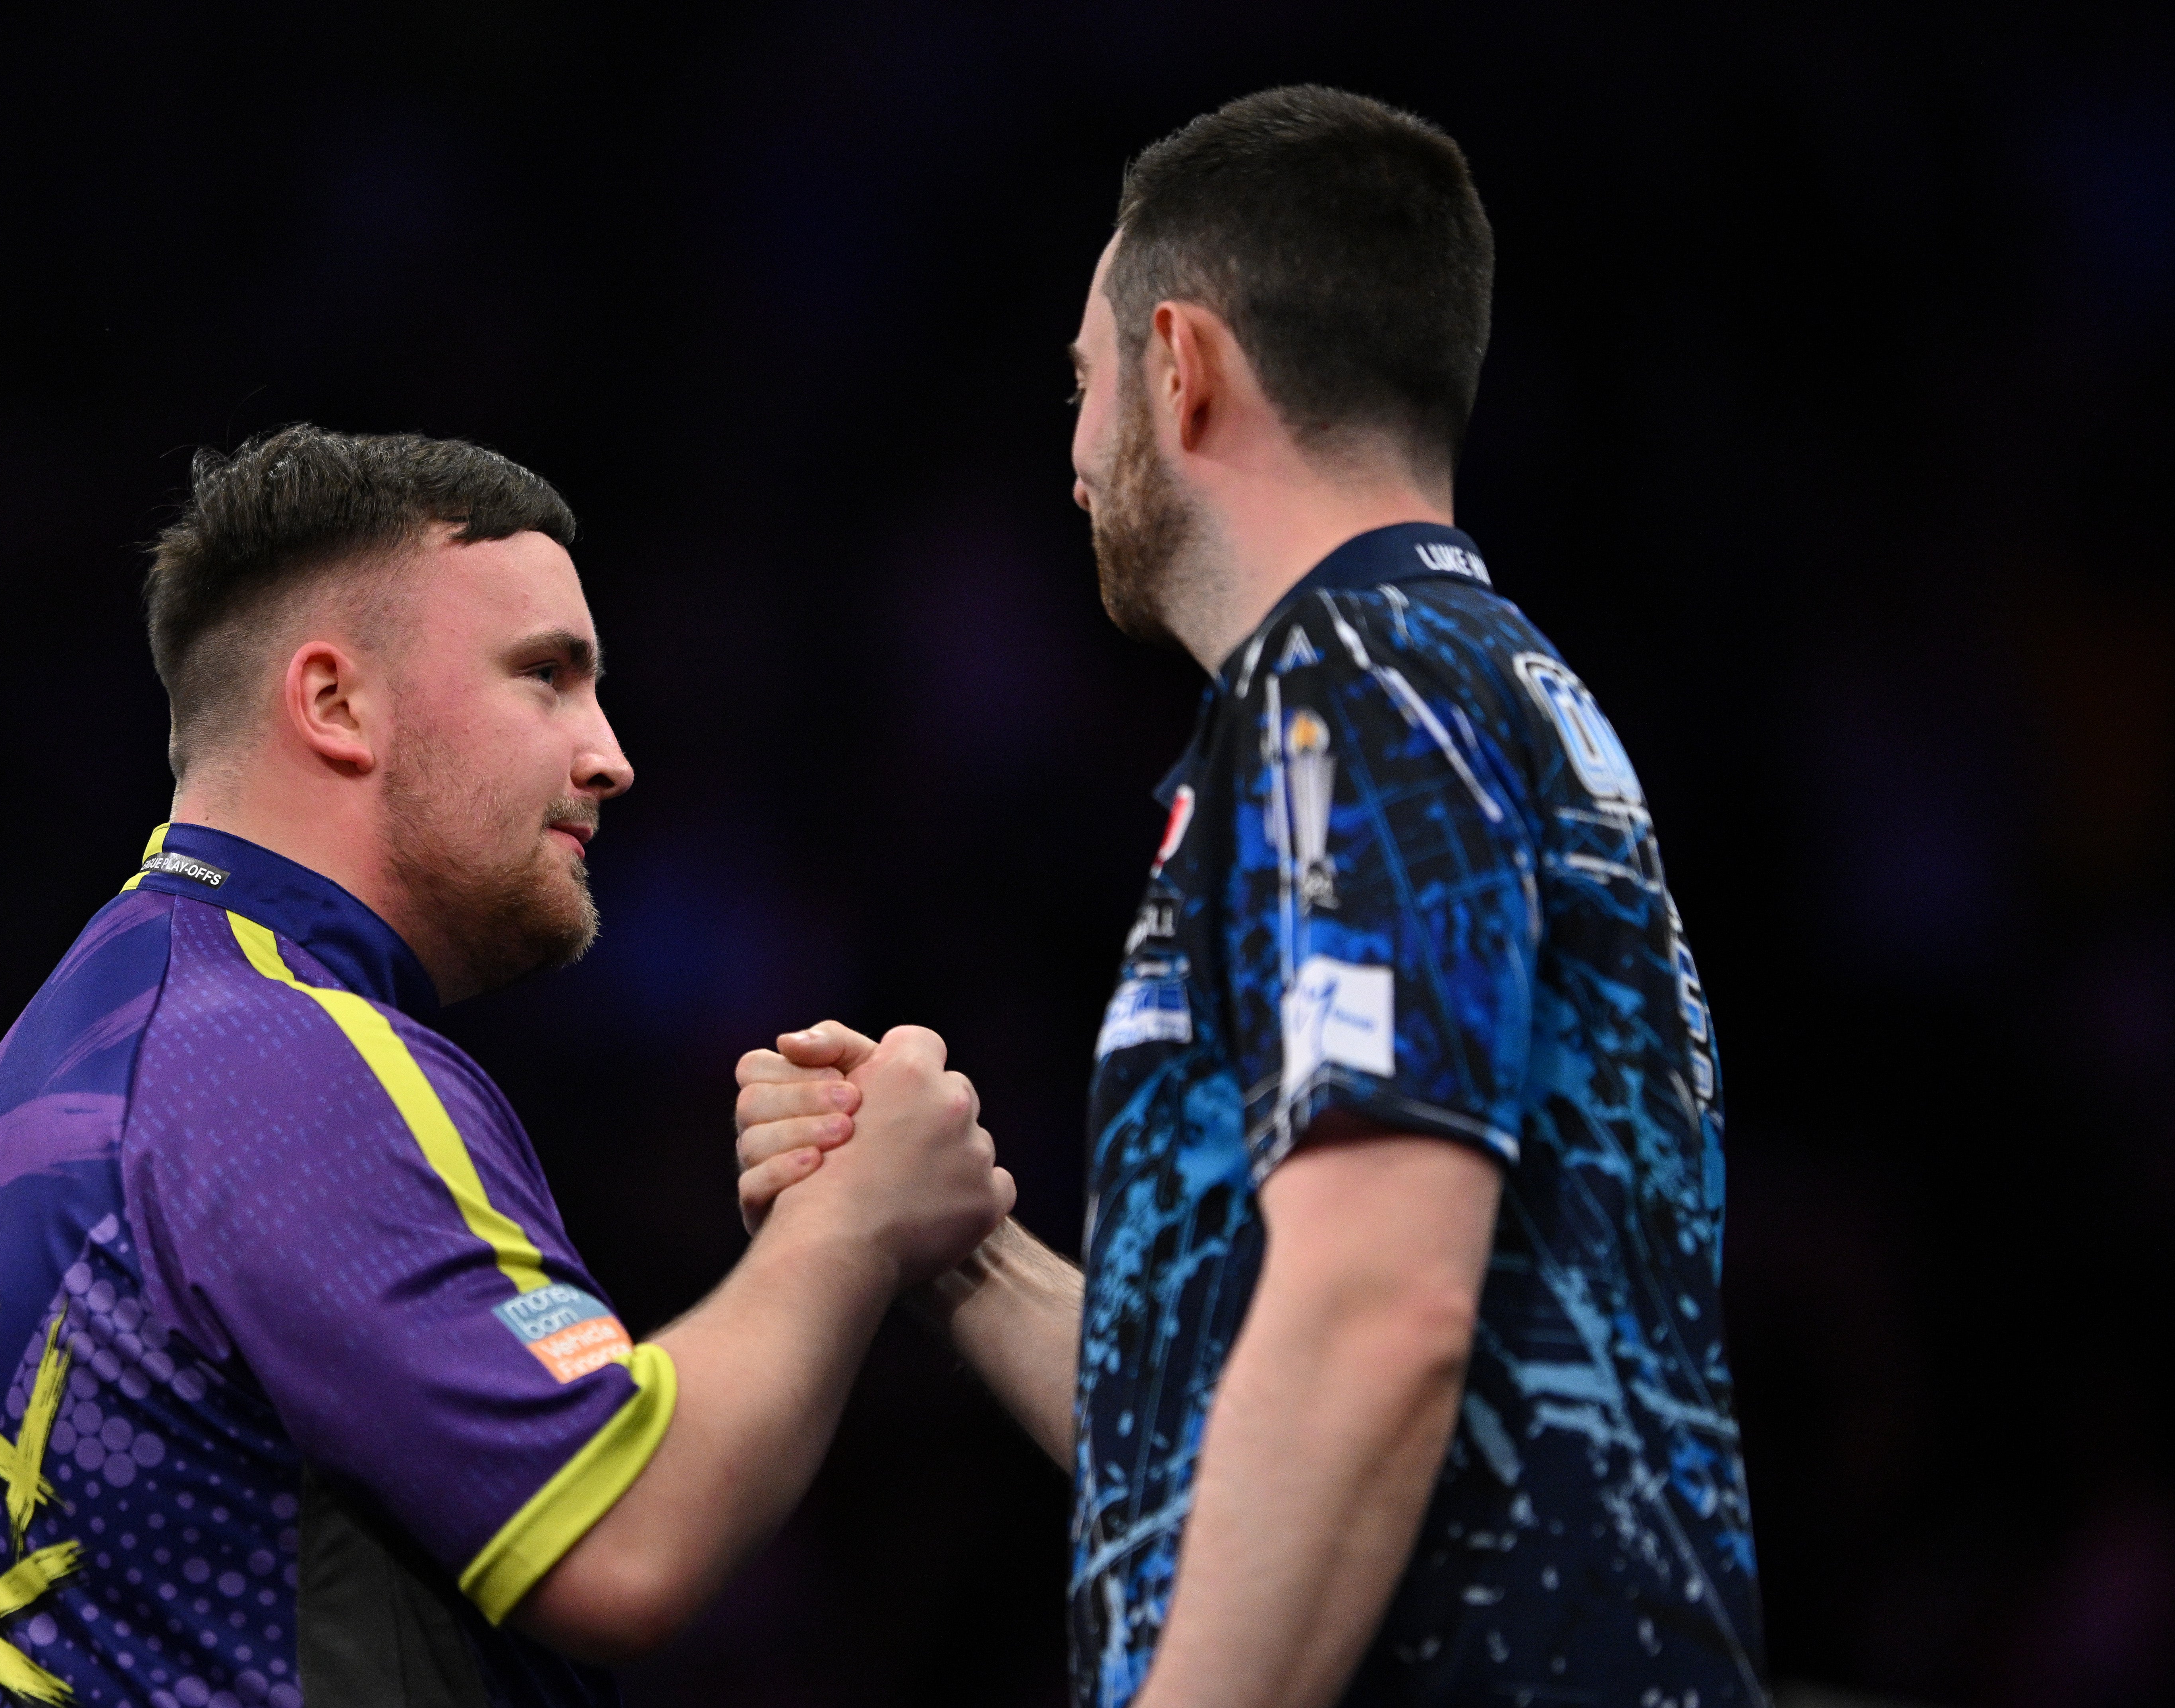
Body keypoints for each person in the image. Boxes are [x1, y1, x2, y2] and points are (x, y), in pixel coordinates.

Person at [734, 86, 1767, 1706]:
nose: (1069, 453)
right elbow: (1255, 1426)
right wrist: (958, 1246)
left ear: (1179, 365)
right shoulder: (1465, 686)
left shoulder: (1342, 688)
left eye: (1080, 384)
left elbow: (1376, 1310)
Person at [0, 425, 1015, 1708]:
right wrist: (855, 1218)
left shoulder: (43, 1089)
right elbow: (622, 1536)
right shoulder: (280, 1062)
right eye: (546, 676)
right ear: (335, 704)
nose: (609, 752)